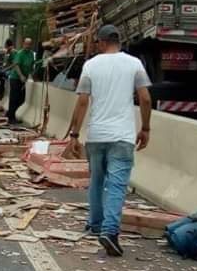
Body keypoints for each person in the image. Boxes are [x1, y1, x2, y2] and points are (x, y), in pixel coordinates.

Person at [65, 25, 152, 257]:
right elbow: (145, 98)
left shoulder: (90, 65)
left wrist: (74, 134)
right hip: (122, 136)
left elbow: (82, 102)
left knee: (97, 180)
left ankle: (95, 224)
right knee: (116, 185)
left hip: (96, 135)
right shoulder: (134, 64)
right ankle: (110, 231)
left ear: (102, 42)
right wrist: (145, 128)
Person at [6, 37, 35, 125]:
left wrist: (31, 74)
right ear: (23, 44)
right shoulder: (20, 53)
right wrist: (21, 75)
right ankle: (11, 117)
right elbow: (16, 65)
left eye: (29, 44)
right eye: (26, 44)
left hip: (24, 80)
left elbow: (31, 65)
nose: (27, 46)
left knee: (22, 99)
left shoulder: (31, 54)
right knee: (14, 98)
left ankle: (10, 113)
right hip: (15, 78)